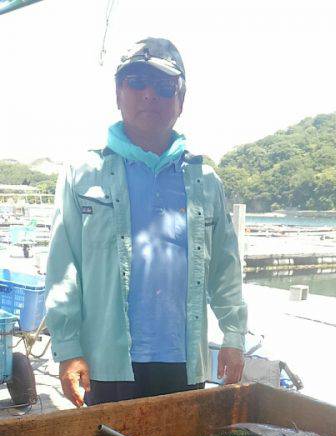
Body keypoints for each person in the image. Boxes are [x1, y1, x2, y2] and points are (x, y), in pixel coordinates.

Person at [45, 37, 247, 407]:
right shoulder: (81, 175)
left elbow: (225, 268)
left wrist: (233, 337)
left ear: (180, 101)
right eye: (136, 82)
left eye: (164, 86)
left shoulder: (205, 180)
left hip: (184, 361)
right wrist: (68, 349)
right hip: (107, 361)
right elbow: (63, 269)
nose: (149, 94)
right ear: (118, 94)